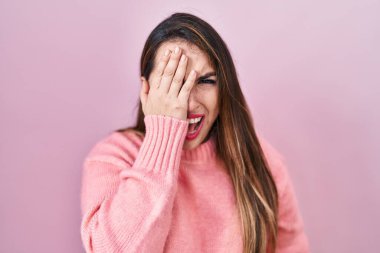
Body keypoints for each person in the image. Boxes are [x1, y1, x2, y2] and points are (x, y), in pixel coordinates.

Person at [80, 12, 310, 253]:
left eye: (205, 81)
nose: (188, 103)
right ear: (146, 90)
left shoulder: (261, 160)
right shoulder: (113, 157)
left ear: (224, 90)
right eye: (172, 83)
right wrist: (162, 134)